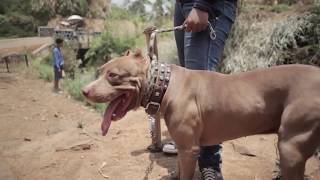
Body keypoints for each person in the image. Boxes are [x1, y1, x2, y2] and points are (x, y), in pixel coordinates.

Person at [162, 0, 237, 179]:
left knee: (203, 90)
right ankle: (187, 154)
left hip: (207, 4)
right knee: (189, 86)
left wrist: (204, 5)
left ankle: (210, 164)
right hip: (183, 4)